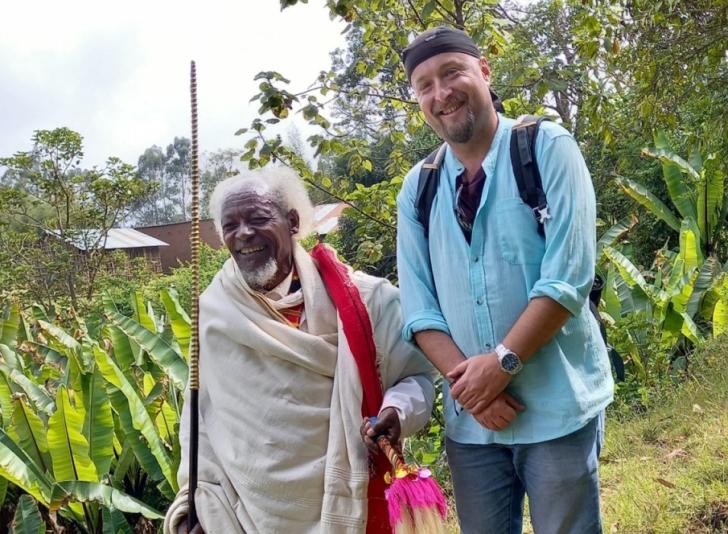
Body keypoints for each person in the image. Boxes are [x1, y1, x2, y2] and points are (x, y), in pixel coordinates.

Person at [396, 26, 614, 534]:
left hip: (557, 410)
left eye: (452, 73)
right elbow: (420, 309)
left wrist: (502, 363)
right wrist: (474, 389)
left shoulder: (545, 148)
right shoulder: (419, 187)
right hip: (473, 427)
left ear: (484, 71)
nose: (441, 93)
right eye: (425, 84)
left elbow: (567, 278)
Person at [164, 168, 436, 534]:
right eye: (231, 225)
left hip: (350, 505)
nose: (243, 234)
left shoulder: (367, 301)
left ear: (292, 221)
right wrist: (192, 505)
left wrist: (396, 411)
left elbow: (417, 379)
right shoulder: (212, 313)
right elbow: (201, 420)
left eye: (258, 219)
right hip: (249, 516)